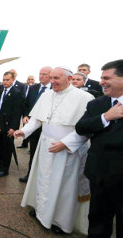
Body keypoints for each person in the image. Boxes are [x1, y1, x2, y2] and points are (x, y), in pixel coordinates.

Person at [14, 67, 94, 234]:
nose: (52, 81)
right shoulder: (46, 94)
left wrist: (65, 143)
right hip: (45, 147)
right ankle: (41, 211)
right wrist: (24, 131)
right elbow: (37, 119)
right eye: (51, 78)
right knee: (42, 180)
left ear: (69, 79)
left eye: (56, 78)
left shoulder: (85, 98)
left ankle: (60, 221)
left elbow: (86, 129)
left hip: (67, 150)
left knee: (63, 187)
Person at [75, 59, 123, 238]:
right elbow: (81, 128)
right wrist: (105, 117)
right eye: (101, 78)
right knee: (97, 224)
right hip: (99, 175)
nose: (101, 82)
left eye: (106, 78)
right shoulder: (97, 104)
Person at [19, 66, 52, 183]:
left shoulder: (55, 89)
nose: (41, 76)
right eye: (40, 74)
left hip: (49, 128)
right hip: (33, 126)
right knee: (33, 152)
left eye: (44, 74)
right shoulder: (33, 88)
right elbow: (26, 104)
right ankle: (30, 175)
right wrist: (26, 115)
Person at [0, 71, 24, 177]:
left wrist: (13, 127)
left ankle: (5, 169)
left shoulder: (16, 93)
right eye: (3, 80)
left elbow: (17, 112)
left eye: (7, 80)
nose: (5, 82)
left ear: (13, 80)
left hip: (8, 125)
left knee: (7, 148)